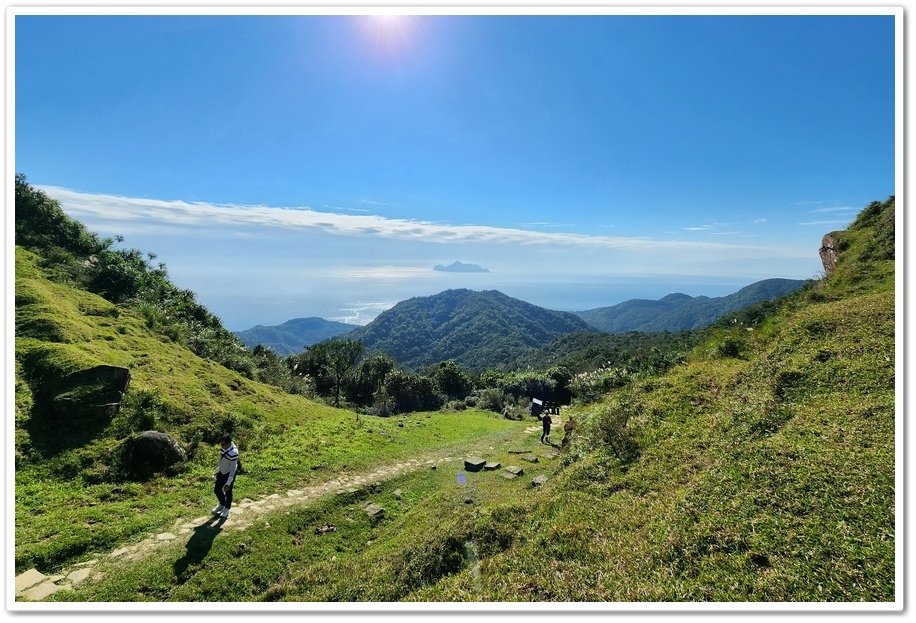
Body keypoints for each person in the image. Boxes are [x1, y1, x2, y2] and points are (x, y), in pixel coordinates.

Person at [212, 433, 239, 519]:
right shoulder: (224, 448)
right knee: (217, 490)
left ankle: (226, 508)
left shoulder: (233, 452)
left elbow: (233, 469)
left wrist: (228, 482)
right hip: (222, 471)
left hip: (229, 473)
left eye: (223, 444)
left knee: (228, 491)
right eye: (221, 444)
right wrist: (217, 471)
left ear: (228, 443)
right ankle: (222, 504)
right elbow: (221, 460)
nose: (221, 446)